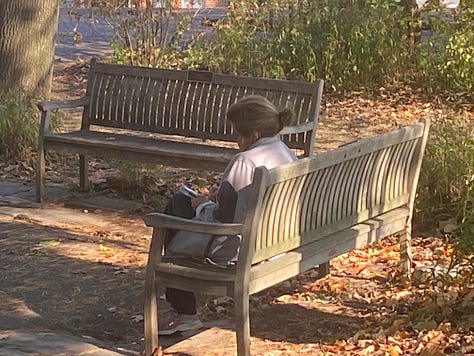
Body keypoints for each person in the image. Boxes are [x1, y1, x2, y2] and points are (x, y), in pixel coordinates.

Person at [158, 95, 298, 335]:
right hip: (275, 239)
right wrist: (212, 198)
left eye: (236, 134)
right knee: (187, 204)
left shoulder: (244, 161)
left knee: (176, 205)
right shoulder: (285, 152)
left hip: (236, 248)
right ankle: (183, 311)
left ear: (252, 135)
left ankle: (184, 311)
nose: (235, 140)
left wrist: (200, 205)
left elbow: (224, 219)